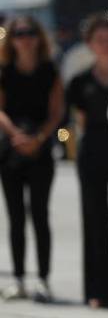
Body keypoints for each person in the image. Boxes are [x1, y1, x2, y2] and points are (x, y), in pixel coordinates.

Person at [67, 14, 108, 309]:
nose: (106, 45)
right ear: (90, 44)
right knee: (94, 221)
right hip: (92, 151)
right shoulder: (80, 82)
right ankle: (99, 291)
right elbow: (79, 121)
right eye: (99, 40)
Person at [0, 15, 64, 302]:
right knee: (15, 216)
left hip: (40, 149)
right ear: (11, 39)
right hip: (10, 149)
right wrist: (16, 135)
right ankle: (17, 278)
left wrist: (38, 138)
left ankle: (43, 279)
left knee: (40, 214)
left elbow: (57, 111)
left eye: (29, 33)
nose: (24, 39)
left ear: (39, 37)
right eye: (19, 34)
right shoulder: (4, 71)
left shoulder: (50, 70)